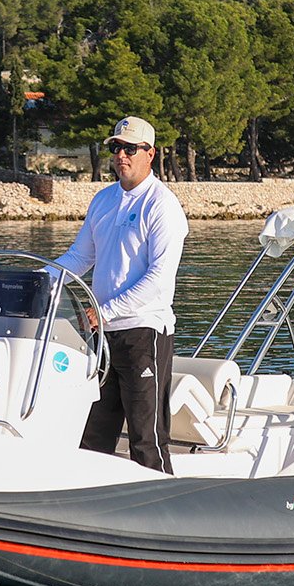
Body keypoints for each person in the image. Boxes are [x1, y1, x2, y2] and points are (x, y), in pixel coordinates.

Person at [51, 115, 187, 473]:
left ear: (150, 154)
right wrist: (38, 280)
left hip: (144, 334)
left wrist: (104, 311)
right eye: (116, 148)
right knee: (94, 435)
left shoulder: (162, 206)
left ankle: (164, 509)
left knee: (146, 437)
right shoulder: (104, 200)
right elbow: (81, 256)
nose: (121, 156)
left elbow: (159, 278)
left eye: (130, 149)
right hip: (103, 338)